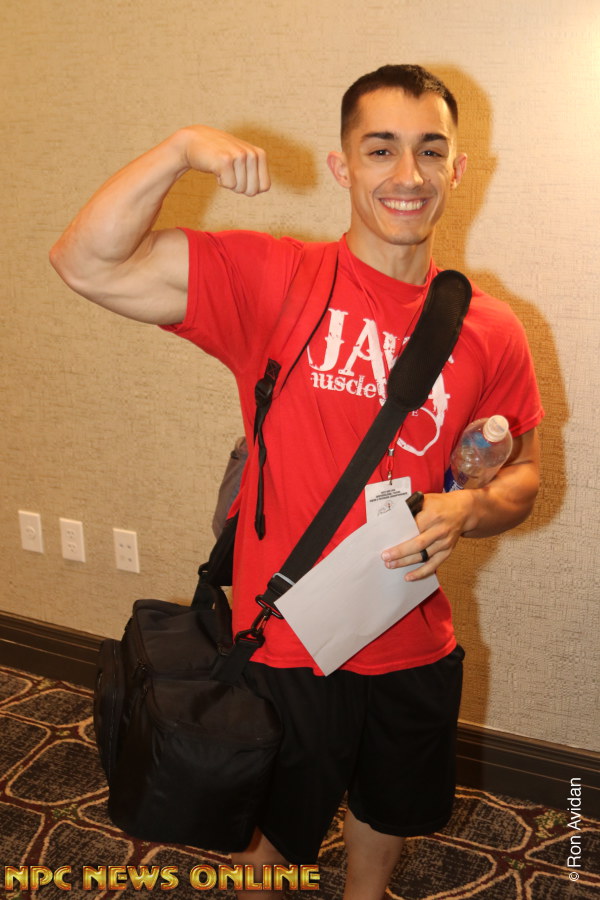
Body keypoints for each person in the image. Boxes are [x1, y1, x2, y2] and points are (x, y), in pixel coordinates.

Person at [50, 65, 543, 900]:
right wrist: (179, 150)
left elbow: (522, 476)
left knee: (389, 805)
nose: (408, 174)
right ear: (342, 165)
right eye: (380, 149)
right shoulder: (276, 279)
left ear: (458, 169)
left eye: (430, 151)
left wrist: (471, 505)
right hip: (287, 640)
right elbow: (84, 261)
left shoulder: (491, 329)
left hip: (412, 633)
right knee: (270, 834)